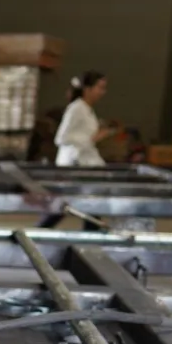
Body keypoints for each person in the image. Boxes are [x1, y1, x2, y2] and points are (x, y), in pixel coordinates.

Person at [37, 71, 113, 228]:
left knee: (84, 204)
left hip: (84, 165)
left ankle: (90, 233)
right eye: (100, 88)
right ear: (87, 89)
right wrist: (93, 138)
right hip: (74, 166)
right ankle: (40, 231)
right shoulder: (76, 108)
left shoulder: (87, 109)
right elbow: (61, 138)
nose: (103, 92)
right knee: (74, 204)